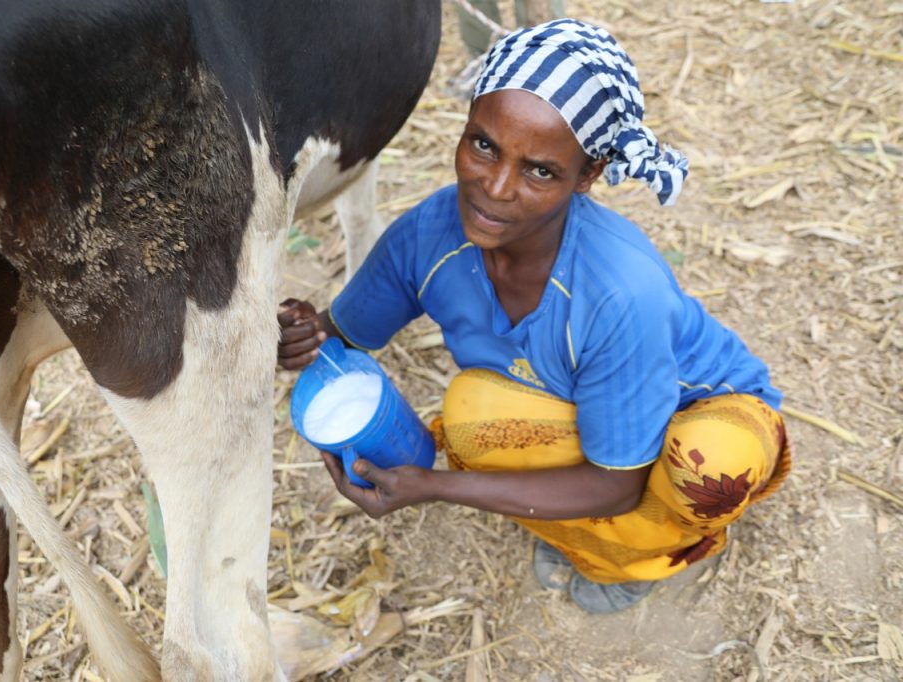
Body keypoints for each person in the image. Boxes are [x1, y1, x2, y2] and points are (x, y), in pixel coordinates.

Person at [277, 19, 791, 614]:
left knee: (709, 472)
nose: (495, 187)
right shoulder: (429, 237)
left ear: (588, 176)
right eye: (484, 145)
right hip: (587, 412)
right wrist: (302, 334)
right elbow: (341, 338)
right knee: (472, 416)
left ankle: (656, 551)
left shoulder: (619, 292)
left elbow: (615, 483)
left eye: (540, 171)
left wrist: (436, 487)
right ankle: (596, 535)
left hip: (704, 413)